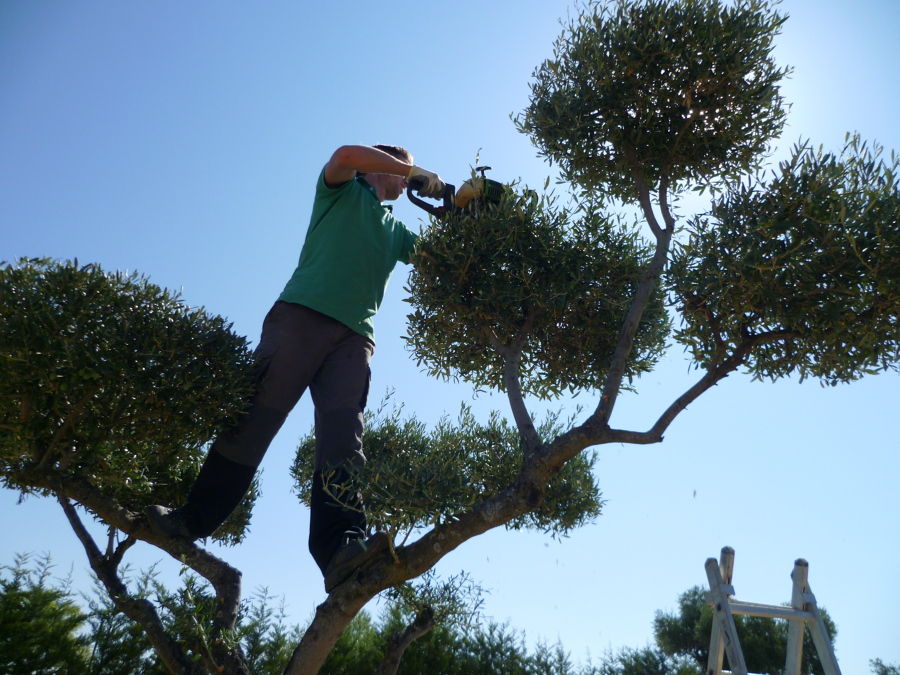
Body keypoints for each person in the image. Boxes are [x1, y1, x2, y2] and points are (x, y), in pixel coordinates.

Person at [145, 144, 445, 592]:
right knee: (254, 418)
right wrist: (411, 168)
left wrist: (461, 210)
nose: (405, 181)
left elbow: (439, 262)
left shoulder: (395, 231)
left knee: (345, 441)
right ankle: (191, 519)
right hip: (301, 314)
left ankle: (341, 549)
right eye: (398, 169)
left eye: (407, 172)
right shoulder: (341, 192)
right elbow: (344, 154)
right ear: (380, 167)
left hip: (355, 338)